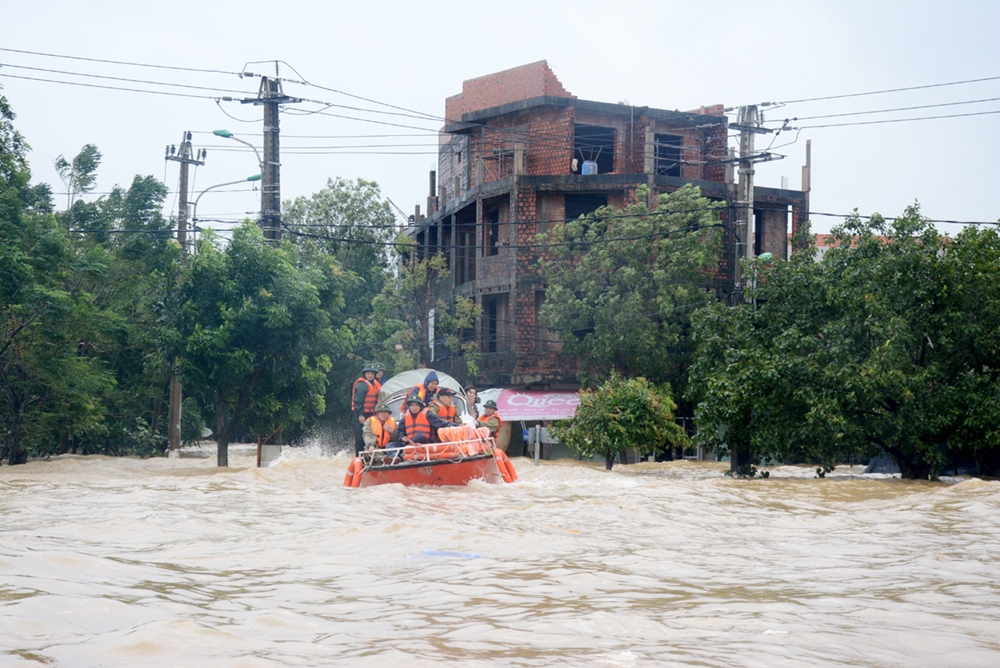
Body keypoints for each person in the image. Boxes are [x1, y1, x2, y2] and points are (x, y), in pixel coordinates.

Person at [390, 397, 459, 447]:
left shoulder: (428, 415)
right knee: (390, 445)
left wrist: (457, 425)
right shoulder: (405, 418)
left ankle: (409, 447)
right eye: (412, 405)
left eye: (416, 405)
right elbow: (400, 430)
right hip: (409, 443)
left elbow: (441, 424)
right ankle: (395, 459)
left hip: (425, 441)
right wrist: (402, 438)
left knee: (419, 436)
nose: (414, 408)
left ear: (420, 406)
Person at [351, 364, 379, 455]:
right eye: (368, 373)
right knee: (360, 439)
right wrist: (361, 414)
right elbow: (358, 401)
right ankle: (359, 459)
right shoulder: (362, 385)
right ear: (365, 374)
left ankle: (370, 458)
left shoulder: (375, 384)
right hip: (361, 414)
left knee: (371, 437)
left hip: (371, 415)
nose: (370, 375)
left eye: (372, 373)